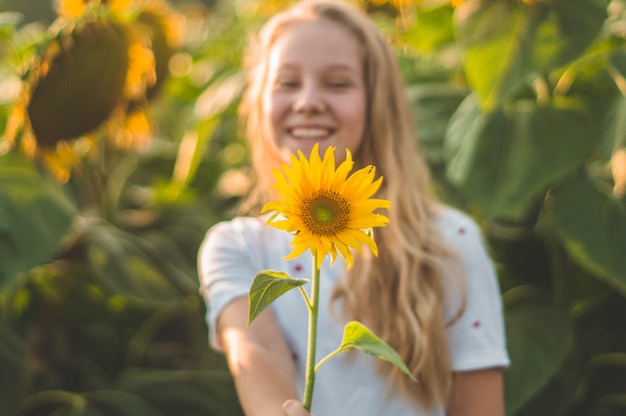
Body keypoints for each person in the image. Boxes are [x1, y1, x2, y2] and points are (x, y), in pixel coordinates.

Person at [198, 0, 510, 415]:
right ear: (258, 104)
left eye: (337, 83)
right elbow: (257, 356)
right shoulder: (237, 249)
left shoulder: (447, 242)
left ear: (377, 103)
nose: (308, 101)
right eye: (287, 83)